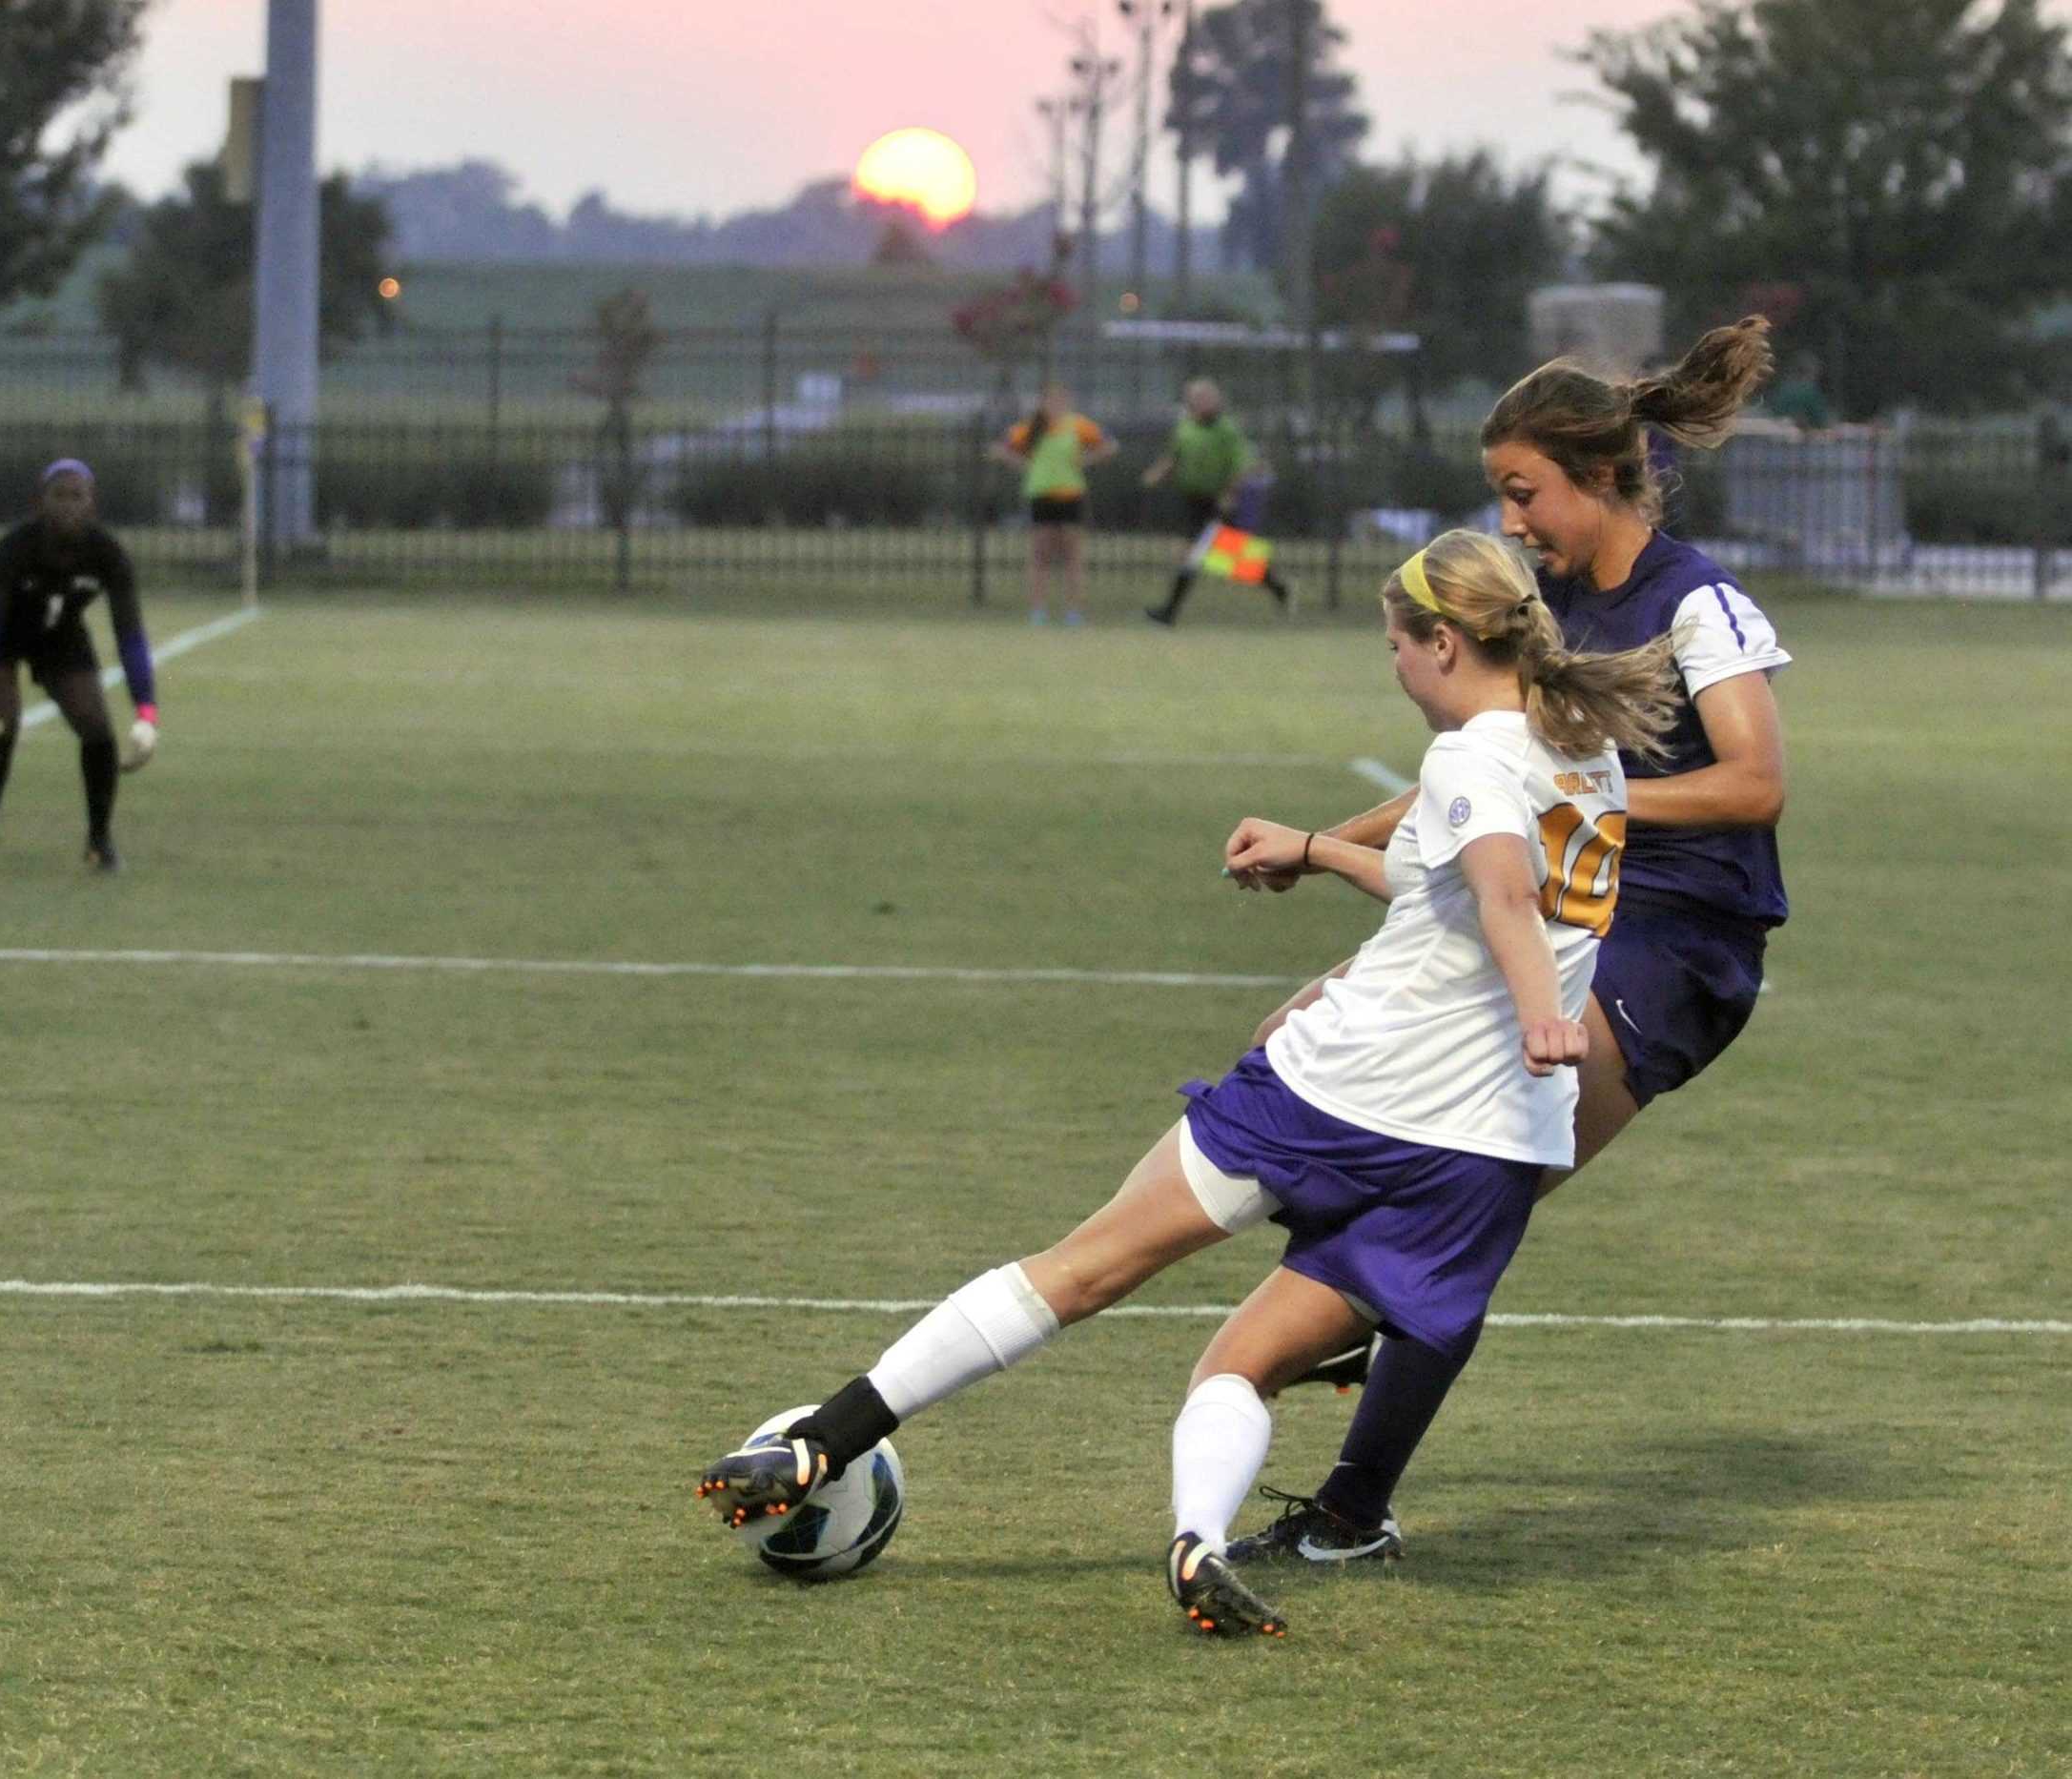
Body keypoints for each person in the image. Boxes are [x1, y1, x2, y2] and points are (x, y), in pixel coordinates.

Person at [696, 530, 1681, 1638]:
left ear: (1444, 644)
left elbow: (1500, 895)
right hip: (1481, 1149)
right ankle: (1197, 1540)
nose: (1393, 667)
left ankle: (822, 1436)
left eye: (1395, 647)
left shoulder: (1467, 759)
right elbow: (1450, 886)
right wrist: (1315, 848)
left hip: (1334, 1099)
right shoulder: (1585, 753)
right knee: (1240, 1363)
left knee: (1082, 1270)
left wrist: (1546, 1015)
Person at [1223, 317, 1793, 1569]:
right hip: (1567, 913)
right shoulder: (1547, 614)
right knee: (1297, 1043)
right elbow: (1476, 775)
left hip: (1678, 943)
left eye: (1524, 492)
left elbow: (1755, 784)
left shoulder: (1696, 602)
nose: (1514, 520)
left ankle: (1352, 1494)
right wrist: (1320, 838)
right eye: (1501, 496)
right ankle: (1361, 1355)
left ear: (1599, 473)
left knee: (1459, 1195)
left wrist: (1588, 798)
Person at [0, 460, 159, 875]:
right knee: (0, 724)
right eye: (59, 496)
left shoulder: (107, 554)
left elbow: (130, 634)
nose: (68, 506)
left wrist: (146, 711)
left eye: (78, 496)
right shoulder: (15, 548)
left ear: (92, 505)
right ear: (39, 502)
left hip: (59, 633)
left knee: (96, 726)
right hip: (1, 634)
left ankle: (100, 841)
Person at [1141, 377, 1292, 624]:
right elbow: (1174, 456)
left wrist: (1229, 493)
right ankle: (1278, 587)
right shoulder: (1186, 427)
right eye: (1196, 398)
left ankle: (1168, 613)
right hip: (1192, 500)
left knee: (1196, 554)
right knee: (1229, 555)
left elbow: (1243, 466)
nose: (1200, 402)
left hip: (1216, 501)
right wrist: (1157, 474)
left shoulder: (1226, 430)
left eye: (1206, 397)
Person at [992, 382, 1115, 625]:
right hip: (1041, 495)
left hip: (1071, 495)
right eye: (1050, 400)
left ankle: (1074, 611)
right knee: (1040, 555)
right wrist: (1024, 465)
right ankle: (1038, 611)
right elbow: (999, 449)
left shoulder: (1078, 425)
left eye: (1061, 400)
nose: (1056, 405)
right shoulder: (1030, 428)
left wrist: (1086, 460)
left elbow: (1109, 445)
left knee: (1072, 555)